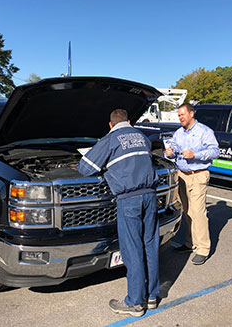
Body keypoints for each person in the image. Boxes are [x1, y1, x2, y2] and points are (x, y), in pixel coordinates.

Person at [77, 109, 160, 317]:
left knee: (132, 250)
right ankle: (151, 296)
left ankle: (134, 302)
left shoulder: (110, 139)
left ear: (110, 125)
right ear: (129, 122)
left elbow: (84, 169)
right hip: (150, 197)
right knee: (149, 245)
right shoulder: (141, 136)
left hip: (129, 199)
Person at [166, 103, 219, 265]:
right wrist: (170, 152)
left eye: (182, 114)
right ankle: (190, 243)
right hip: (182, 175)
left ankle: (203, 248)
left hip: (198, 175)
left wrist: (195, 155)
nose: (180, 118)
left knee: (198, 212)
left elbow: (215, 151)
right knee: (187, 211)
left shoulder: (204, 131)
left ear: (191, 113)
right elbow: (173, 147)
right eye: (178, 115)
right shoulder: (178, 133)